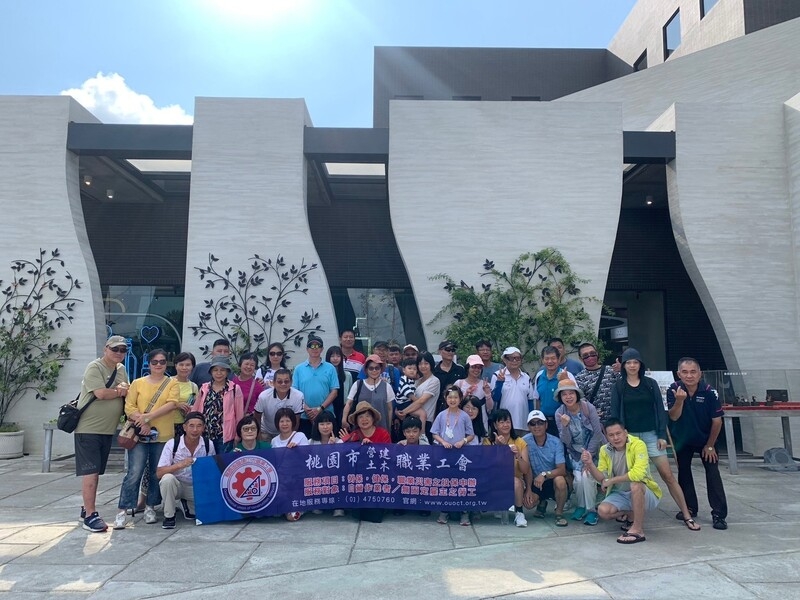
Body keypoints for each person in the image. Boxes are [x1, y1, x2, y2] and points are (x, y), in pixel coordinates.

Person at [610, 348, 700, 531]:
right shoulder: (618, 386)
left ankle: (686, 514)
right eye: (628, 362)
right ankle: (631, 515)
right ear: (624, 365)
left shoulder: (650, 384)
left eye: (635, 362)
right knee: (630, 478)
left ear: (640, 364)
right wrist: (619, 438)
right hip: (630, 437)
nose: (632, 366)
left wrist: (661, 435)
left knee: (668, 476)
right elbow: (615, 414)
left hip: (651, 435)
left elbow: (660, 410)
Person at [114, 348, 182, 529]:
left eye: (162, 362)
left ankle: (150, 507)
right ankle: (123, 510)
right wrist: (143, 423)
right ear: (149, 363)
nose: (158, 365)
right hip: (139, 435)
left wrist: (147, 418)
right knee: (134, 472)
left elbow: (172, 404)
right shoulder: (138, 383)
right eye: (155, 362)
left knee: (155, 473)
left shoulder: (172, 383)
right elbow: (129, 406)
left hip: (163, 435)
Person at [74, 335, 130, 532]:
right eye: (115, 349)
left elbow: (127, 388)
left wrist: (122, 390)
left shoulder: (121, 369)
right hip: (89, 429)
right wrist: (119, 391)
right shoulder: (95, 367)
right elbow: (101, 393)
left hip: (107, 430)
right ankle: (90, 515)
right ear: (106, 349)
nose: (119, 353)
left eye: (123, 350)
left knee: (96, 472)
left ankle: (86, 509)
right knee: (90, 472)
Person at [667, 357, 728, 530]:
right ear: (678, 374)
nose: (689, 376)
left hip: (706, 439)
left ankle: (719, 514)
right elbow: (673, 416)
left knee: (712, 473)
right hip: (683, 439)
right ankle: (690, 508)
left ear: (700, 373)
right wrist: (679, 400)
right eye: (685, 372)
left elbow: (717, 421)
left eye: (693, 372)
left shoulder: (710, 392)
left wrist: (710, 445)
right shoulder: (673, 389)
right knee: (684, 472)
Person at [582, 418, 663, 544]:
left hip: (645, 493)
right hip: (621, 494)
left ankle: (637, 530)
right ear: (606, 437)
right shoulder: (605, 450)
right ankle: (631, 513)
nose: (615, 438)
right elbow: (602, 478)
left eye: (618, 433)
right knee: (603, 511)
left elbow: (638, 474)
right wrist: (590, 464)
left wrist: (612, 480)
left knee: (636, 485)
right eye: (611, 435)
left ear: (625, 432)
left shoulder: (638, 444)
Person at [553, 375, 605, 525]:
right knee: (578, 479)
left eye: (571, 393)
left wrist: (588, 455)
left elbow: (597, 433)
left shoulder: (588, 408)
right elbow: (566, 441)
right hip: (575, 452)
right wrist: (565, 426)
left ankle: (591, 510)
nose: (568, 397)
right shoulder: (559, 413)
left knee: (587, 476)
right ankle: (582, 506)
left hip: (594, 449)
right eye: (564, 394)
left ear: (577, 394)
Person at [156, 411, 215, 529]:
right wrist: (180, 465)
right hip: (177, 485)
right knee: (167, 479)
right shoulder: (172, 444)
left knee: (204, 512)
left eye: (199, 426)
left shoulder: (208, 444)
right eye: (191, 426)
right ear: (184, 427)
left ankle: (184, 504)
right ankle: (169, 516)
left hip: (196, 487)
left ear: (203, 428)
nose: (195, 430)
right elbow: (159, 473)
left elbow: (212, 470)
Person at [483, 408, 533, 527]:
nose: (505, 425)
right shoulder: (488, 442)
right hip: (493, 480)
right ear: (495, 425)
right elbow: (488, 466)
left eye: (508, 422)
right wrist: (499, 448)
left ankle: (519, 513)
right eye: (501, 422)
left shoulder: (520, 442)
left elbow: (525, 469)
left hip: (515, 480)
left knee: (516, 482)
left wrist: (518, 455)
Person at [522, 409, 569, 527]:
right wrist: (528, 489)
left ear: (546, 425)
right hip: (535, 481)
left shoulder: (556, 442)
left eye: (540, 423)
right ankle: (542, 502)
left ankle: (559, 513)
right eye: (533, 423)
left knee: (560, 481)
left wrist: (544, 474)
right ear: (528, 426)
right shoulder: (524, 442)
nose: (536, 426)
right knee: (528, 504)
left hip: (551, 479)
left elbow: (562, 469)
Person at [194, 355, 245, 455]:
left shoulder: (234, 388)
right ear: (211, 372)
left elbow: (239, 415)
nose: (219, 373)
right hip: (205, 434)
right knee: (206, 461)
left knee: (222, 462)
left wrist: (238, 434)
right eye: (215, 370)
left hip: (224, 436)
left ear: (227, 372)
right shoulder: (204, 388)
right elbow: (195, 410)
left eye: (222, 370)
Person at [293, 335, 338, 437]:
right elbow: (294, 392)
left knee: (328, 444)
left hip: (326, 416)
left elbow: (334, 392)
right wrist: (307, 409)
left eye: (318, 346)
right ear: (307, 349)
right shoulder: (299, 369)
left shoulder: (330, 368)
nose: (315, 349)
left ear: (322, 349)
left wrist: (320, 409)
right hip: (304, 416)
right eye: (312, 346)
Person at [270, 408, 309, 522]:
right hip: (281, 480)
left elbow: (308, 457)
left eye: (288, 421)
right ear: (277, 423)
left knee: (291, 517)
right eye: (281, 421)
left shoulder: (300, 436)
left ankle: (300, 508)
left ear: (293, 422)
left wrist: (297, 450)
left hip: (297, 479)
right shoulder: (274, 441)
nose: (285, 424)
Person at [343, 354, 395, 434]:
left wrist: (388, 428)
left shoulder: (387, 386)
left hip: (381, 430)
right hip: (361, 430)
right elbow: (349, 403)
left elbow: (389, 409)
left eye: (377, 368)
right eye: (371, 368)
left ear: (381, 369)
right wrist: (344, 419)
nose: (374, 371)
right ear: (366, 370)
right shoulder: (358, 384)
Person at [532, 345, 577, 437]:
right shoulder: (539, 376)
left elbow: (576, 398)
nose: (550, 361)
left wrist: (565, 380)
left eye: (553, 358)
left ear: (559, 359)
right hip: (544, 422)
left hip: (563, 421)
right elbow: (537, 399)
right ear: (542, 360)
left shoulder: (567, 375)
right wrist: (537, 418)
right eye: (547, 358)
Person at [491, 346, 534, 436]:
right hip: (504, 425)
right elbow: (495, 398)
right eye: (511, 358)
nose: (515, 361)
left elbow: (530, 401)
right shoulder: (497, 375)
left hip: (524, 424)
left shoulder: (526, 377)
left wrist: (531, 421)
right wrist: (500, 383)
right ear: (504, 360)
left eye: (517, 358)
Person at [396, 352, 440, 440]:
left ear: (431, 364)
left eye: (426, 363)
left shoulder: (434, 381)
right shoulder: (416, 381)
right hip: (409, 421)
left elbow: (421, 401)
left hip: (425, 422)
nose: (423, 366)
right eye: (420, 363)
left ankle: (422, 434)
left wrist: (403, 412)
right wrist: (397, 411)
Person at [253, 368, 304, 443]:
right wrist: (259, 436)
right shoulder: (264, 396)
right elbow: (257, 416)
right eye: (279, 382)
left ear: (291, 382)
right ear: (273, 383)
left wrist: (290, 437)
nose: (283, 384)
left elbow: (296, 421)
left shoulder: (298, 396)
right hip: (266, 431)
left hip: (288, 432)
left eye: (286, 381)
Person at [575, 342, 618, 422]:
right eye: (585, 355)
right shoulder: (579, 378)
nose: (590, 357)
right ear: (581, 358)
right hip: (595, 422)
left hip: (615, 420)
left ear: (597, 353)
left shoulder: (611, 370)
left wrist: (622, 370)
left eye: (592, 353)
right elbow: (581, 401)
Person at [454, 354, 494, 432]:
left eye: (479, 367)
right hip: (461, 422)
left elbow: (490, 408)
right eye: (473, 367)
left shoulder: (486, 385)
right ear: (467, 368)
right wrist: (465, 394)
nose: (476, 370)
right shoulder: (459, 383)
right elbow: (454, 404)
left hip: (481, 423)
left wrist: (487, 394)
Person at [395, 358, 428, 434]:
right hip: (403, 404)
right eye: (409, 368)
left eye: (414, 369)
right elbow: (410, 394)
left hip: (406, 403)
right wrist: (418, 403)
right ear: (404, 370)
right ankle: (422, 434)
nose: (412, 371)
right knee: (422, 414)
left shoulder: (411, 380)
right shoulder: (404, 379)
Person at [433, 340, 466, 414]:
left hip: (458, 409)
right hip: (440, 409)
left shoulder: (460, 370)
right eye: (448, 349)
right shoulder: (434, 371)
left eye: (453, 350)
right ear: (440, 351)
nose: (450, 352)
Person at [326, 345, 352, 431]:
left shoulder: (347, 375)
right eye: (332, 356)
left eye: (338, 356)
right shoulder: (324, 375)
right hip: (328, 408)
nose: (335, 358)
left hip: (343, 410)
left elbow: (350, 395)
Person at [172, 351, 198, 438]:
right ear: (176, 366)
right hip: (167, 424)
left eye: (188, 365)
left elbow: (196, 406)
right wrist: (177, 405)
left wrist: (190, 408)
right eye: (181, 364)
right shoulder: (167, 382)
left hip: (184, 425)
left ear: (192, 367)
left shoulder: (194, 386)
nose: (184, 368)